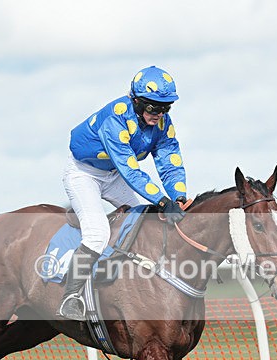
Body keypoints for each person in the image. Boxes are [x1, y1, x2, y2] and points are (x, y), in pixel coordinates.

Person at [59, 66, 188, 320]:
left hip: (113, 175)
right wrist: (162, 201)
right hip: (84, 174)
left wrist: (178, 197)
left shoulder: (162, 123)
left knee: (140, 223)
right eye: (153, 107)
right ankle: (70, 297)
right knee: (97, 234)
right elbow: (130, 170)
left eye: (166, 108)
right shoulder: (115, 117)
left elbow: (170, 161)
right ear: (136, 101)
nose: (159, 114)